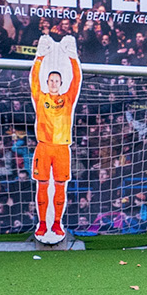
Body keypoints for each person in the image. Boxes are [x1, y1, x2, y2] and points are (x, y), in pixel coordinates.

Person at [30, 34, 82, 243]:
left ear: (61, 83)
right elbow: (34, 79)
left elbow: (77, 81)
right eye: (50, 80)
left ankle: (57, 223)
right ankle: (42, 223)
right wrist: (40, 58)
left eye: (56, 81)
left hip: (62, 148)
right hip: (43, 147)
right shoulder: (41, 97)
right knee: (42, 185)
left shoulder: (67, 99)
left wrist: (72, 58)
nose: (53, 83)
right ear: (47, 82)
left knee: (60, 186)